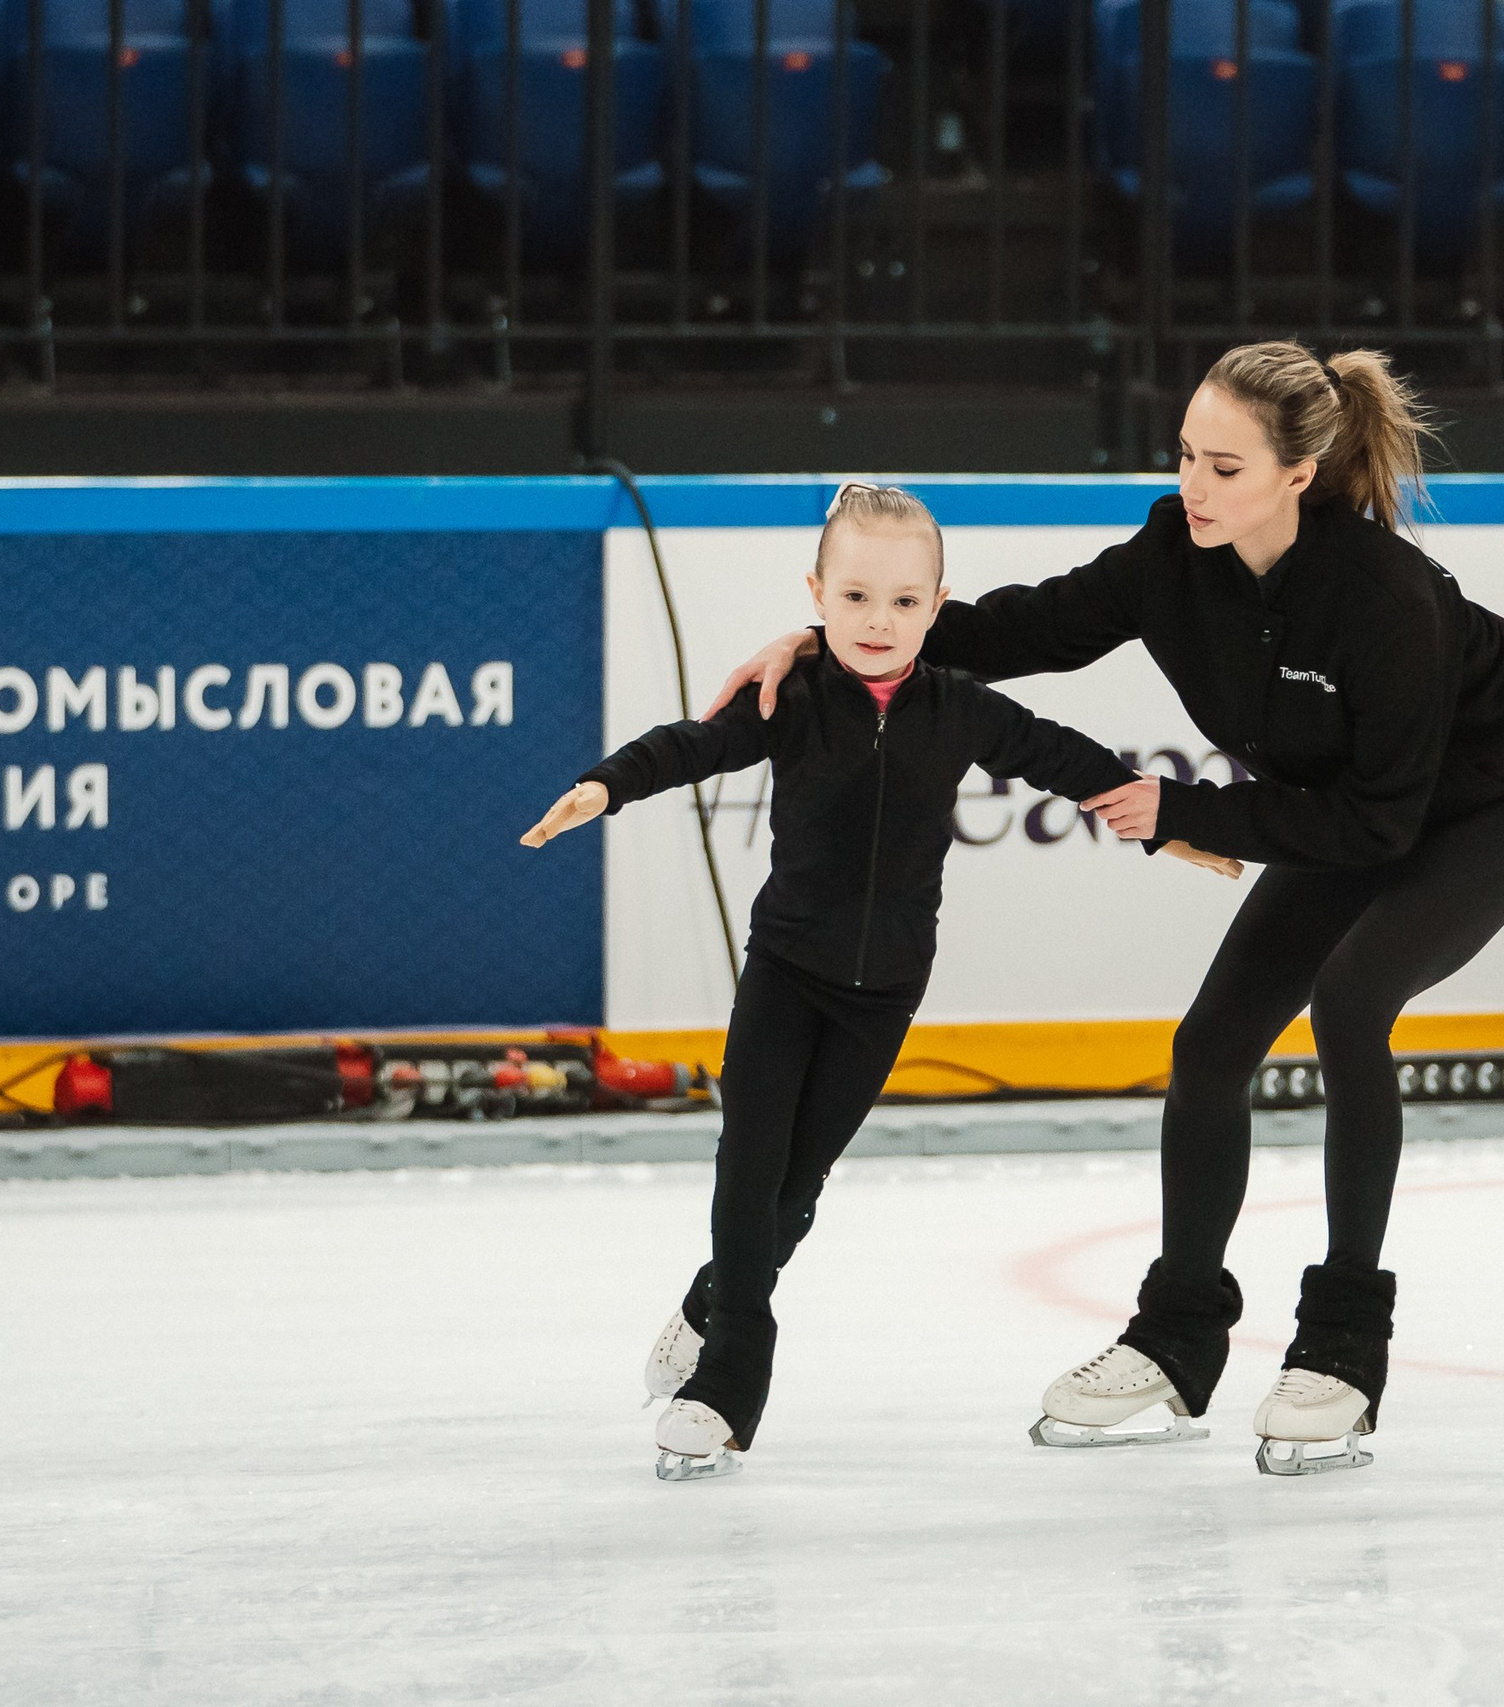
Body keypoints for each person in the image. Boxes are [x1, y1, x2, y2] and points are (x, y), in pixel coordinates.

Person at [705, 344, 1504, 1476]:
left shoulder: (1383, 600)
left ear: (1298, 474)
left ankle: (1343, 1346)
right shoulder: (1178, 551)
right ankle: (1178, 1337)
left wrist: (1187, 812)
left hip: (1495, 804)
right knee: (1209, 1046)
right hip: (1341, 806)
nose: (1192, 486)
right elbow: (1025, 629)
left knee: (1352, 999)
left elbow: (1378, 828)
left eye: (1222, 467)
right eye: (1184, 456)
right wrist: (839, 639)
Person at [521, 483, 1242, 1481]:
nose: (877, 621)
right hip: (783, 968)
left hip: (885, 987)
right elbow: (696, 743)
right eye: (855, 597)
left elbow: (1061, 758)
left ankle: (708, 1303)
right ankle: (730, 1381)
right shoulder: (795, 698)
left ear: (939, 605)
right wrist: (605, 784)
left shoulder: (960, 710)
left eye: (905, 603)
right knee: (749, 1163)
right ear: (816, 593)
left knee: (797, 1187)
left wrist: (1169, 825)